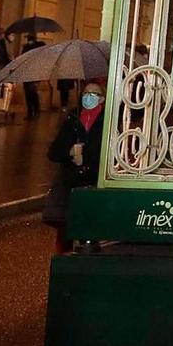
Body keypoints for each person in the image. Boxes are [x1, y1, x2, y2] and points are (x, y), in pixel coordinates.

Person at [42, 79, 106, 253]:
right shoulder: (72, 118)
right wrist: (70, 152)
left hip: (92, 182)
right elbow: (53, 152)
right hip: (70, 183)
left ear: (101, 99)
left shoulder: (107, 122)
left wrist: (85, 158)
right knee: (65, 233)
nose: (89, 97)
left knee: (89, 233)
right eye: (86, 94)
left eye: (94, 94)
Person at [20, 32, 45, 116]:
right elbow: (22, 58)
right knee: (28, 92)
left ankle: (36, 109)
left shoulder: (39, 46)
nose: (28, 41)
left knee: (32, 92)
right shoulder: (26, 47)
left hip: (34, 72)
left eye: (29, 39)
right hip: (26, 72)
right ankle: (30, 110)